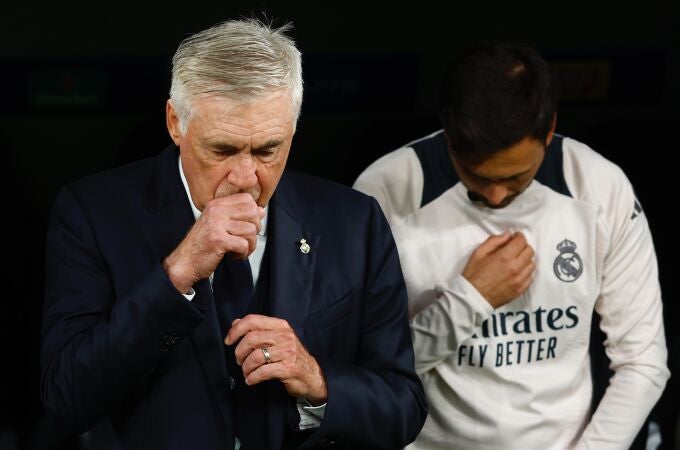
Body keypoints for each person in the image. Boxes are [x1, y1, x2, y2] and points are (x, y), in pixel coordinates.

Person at [40, 19, 426, 450]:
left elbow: (403, 408)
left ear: (293, 130)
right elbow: (66, 399)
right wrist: (178, 273)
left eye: (267, 150)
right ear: (175, 124)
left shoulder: (354, 222)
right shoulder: (93, 213)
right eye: (222, 150)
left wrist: (315, 380)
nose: (245, 178)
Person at [354, 42, 669, 449]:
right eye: (478, 176)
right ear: (449, 138)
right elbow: (367, 369)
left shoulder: (600, 187)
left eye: (517, 176)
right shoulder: (385, 192)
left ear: (550, 130)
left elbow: (642, 363)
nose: (498, 197)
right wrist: (469, 300)